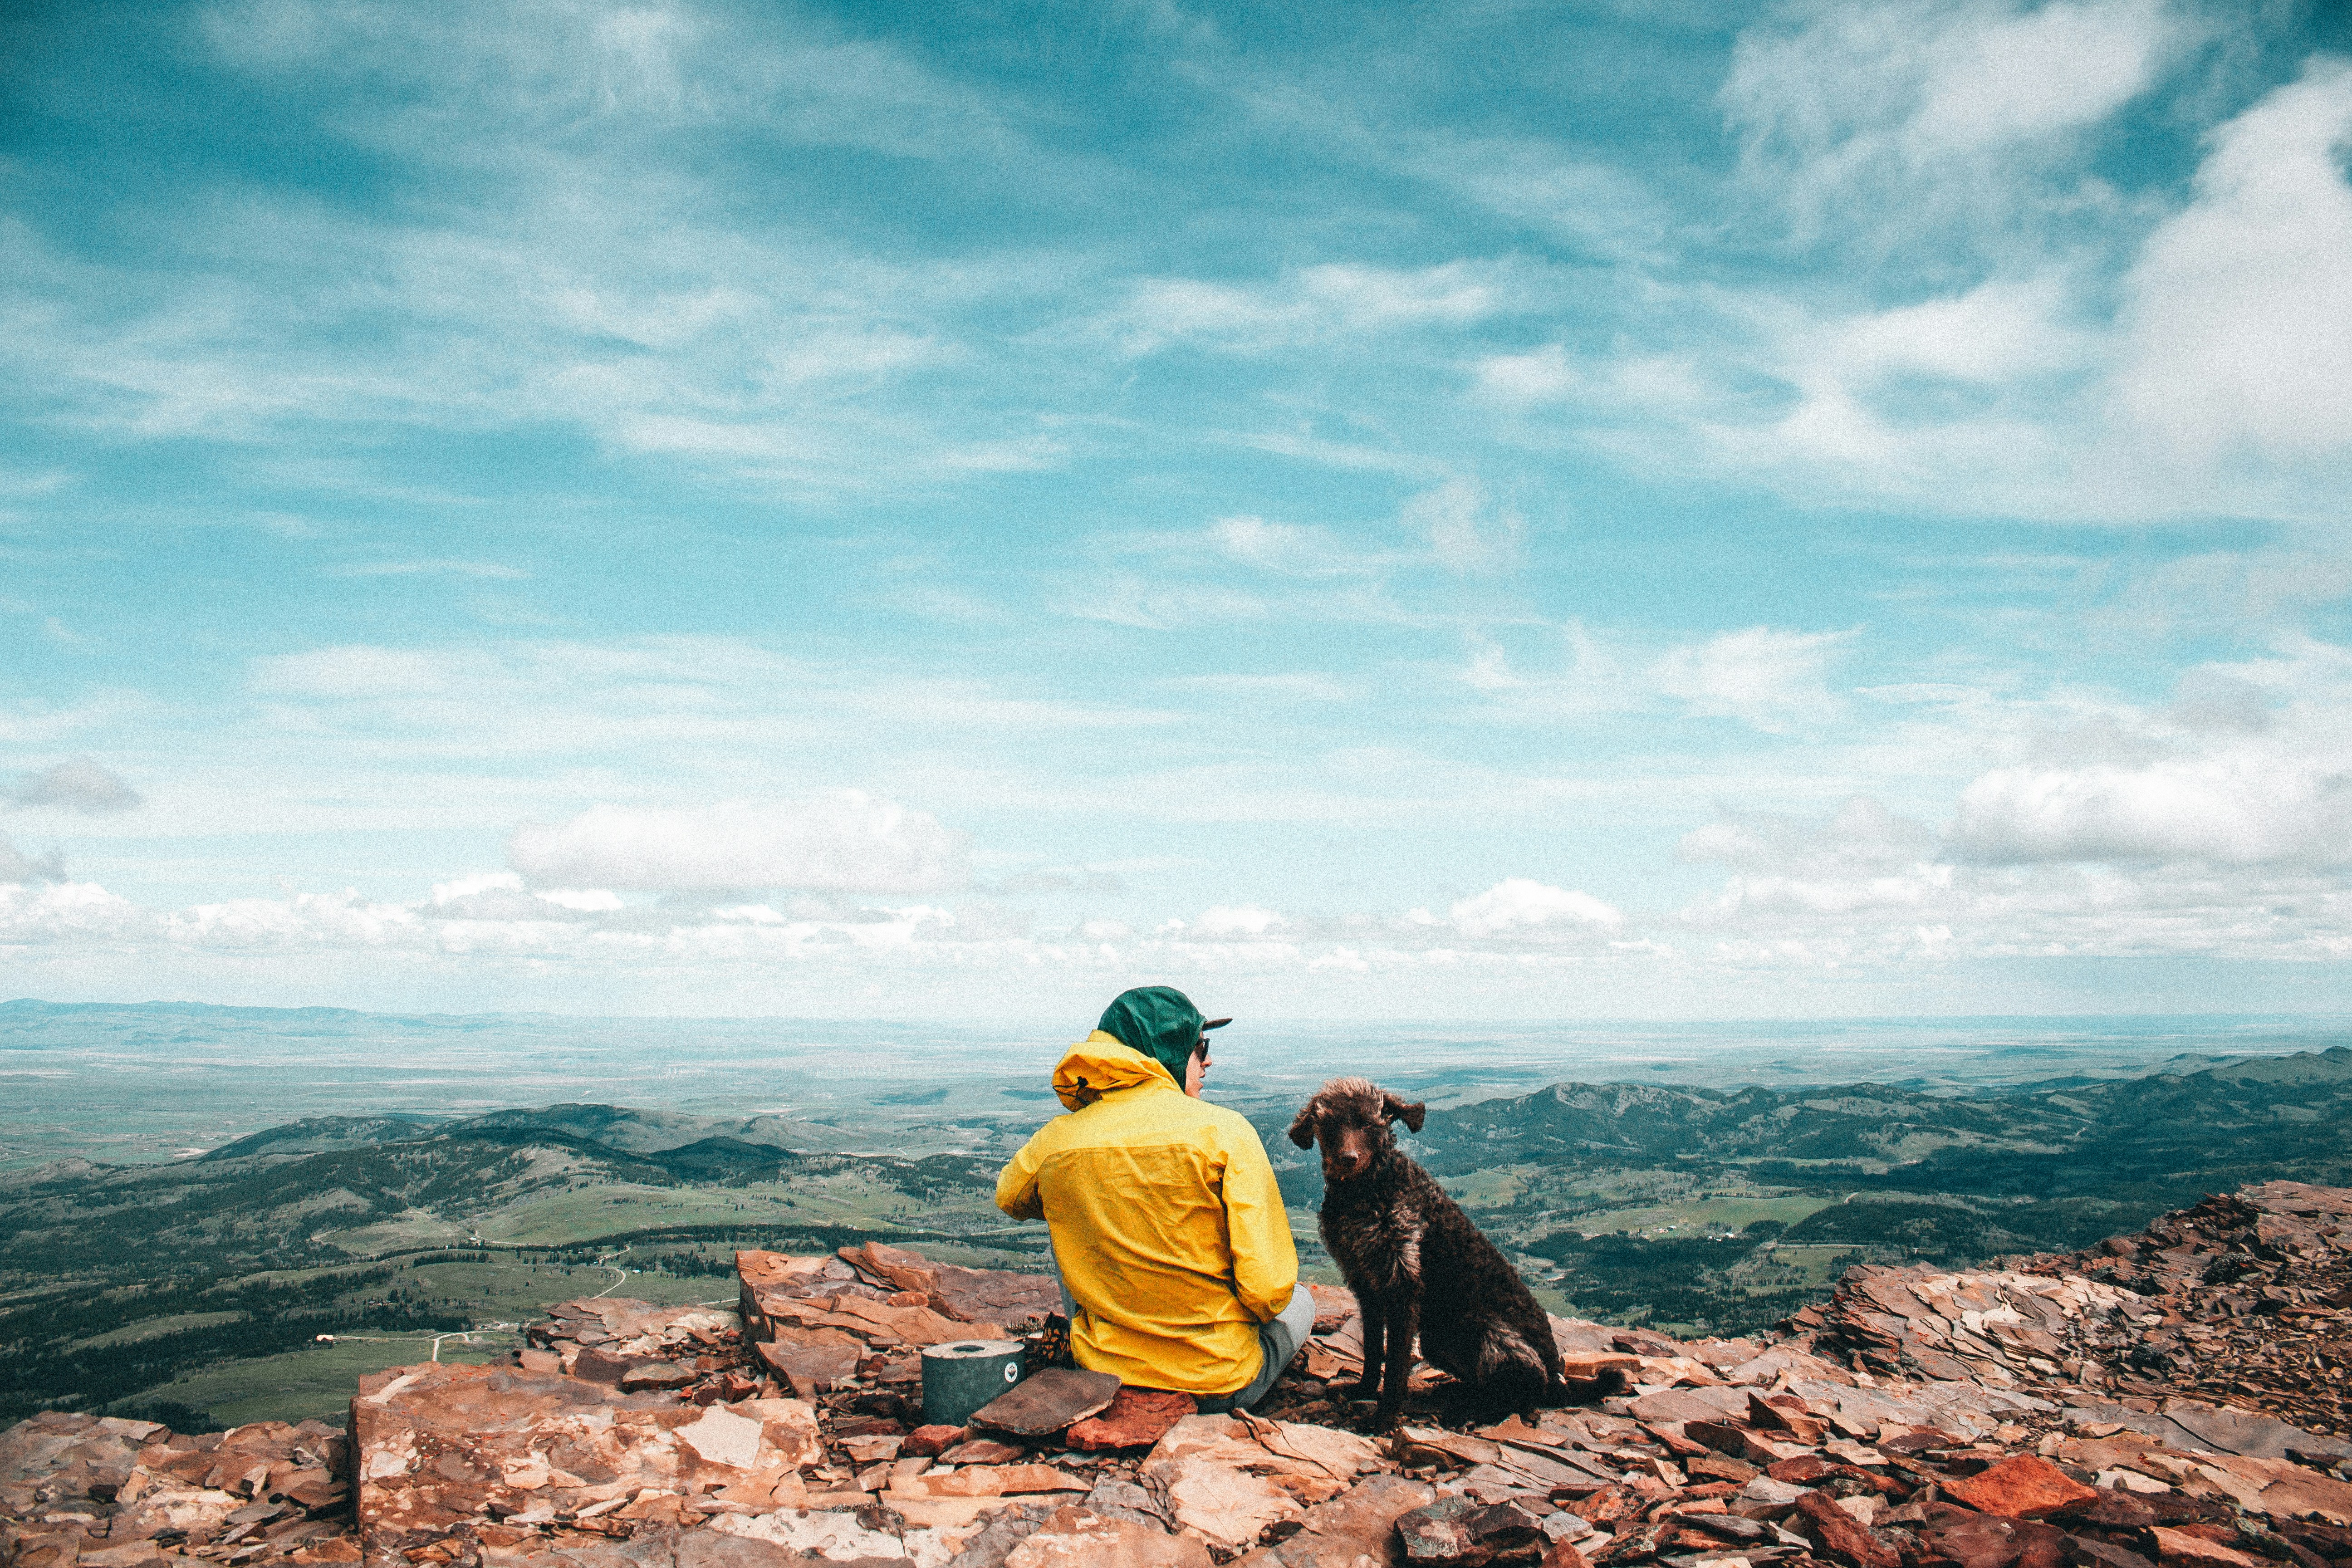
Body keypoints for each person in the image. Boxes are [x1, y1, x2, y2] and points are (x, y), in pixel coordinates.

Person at [994, 985, 1314, 1411]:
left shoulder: (1057, 1141)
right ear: (1167, 1051)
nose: (1209, 1061)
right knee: (1303, 1301)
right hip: (1216, 1387)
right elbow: (1268, 1291)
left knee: (1064, 1205)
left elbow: (1010, 1197)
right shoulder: (1228, 1133)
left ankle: (1110, 1341)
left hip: (1103, 1376)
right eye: (1200, 1048)